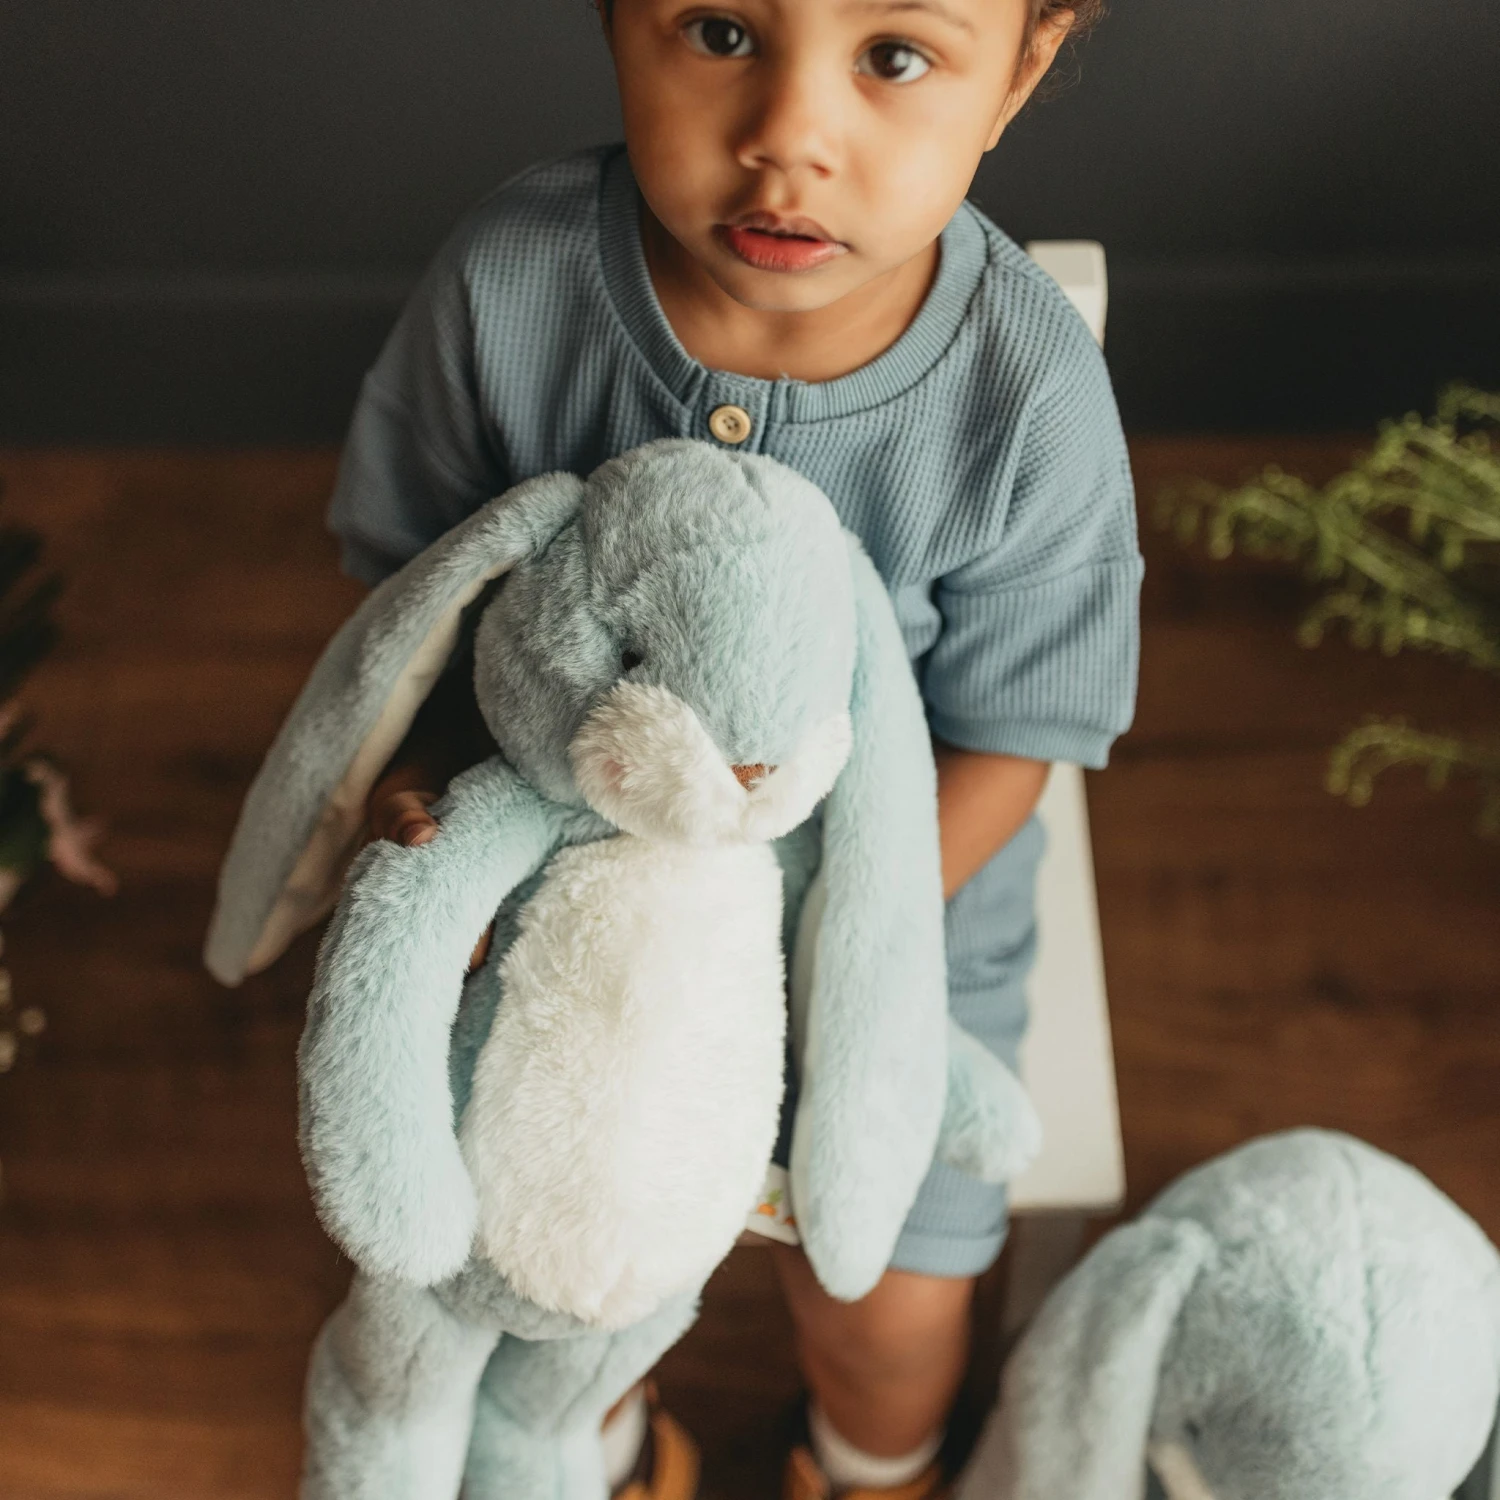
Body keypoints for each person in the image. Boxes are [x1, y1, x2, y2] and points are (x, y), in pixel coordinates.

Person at [333, 0, 1141, 1495]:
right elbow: (427, 594)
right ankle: (591, 1441)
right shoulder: (516, 282)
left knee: (885, 1300)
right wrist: (423, 778)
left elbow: (1016, 734)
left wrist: (815, 933)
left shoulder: (1025, 392)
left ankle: (871, 1464)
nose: (788, 137)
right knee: (537, 1230)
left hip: (893, 892)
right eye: (720, 30)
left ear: (1019, 71)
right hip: (566, 872)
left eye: (894, 56)